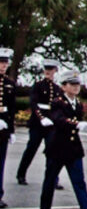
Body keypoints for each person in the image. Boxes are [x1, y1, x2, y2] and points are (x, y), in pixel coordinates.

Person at [40, 70, 87, 209]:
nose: (76, 88)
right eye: (72, 84)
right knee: (49, 181)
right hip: (57, 148)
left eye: (77, 85)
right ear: (64, 86)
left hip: (73, 149)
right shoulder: (57, 102)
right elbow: (59, 119)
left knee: (79, 182)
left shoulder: (78, 103)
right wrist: (75, 124)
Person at [17, 58, 63, 188]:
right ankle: (21, 174)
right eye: (46, 70)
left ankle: (53, 179)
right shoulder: (37, 86)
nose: (48, 72)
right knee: (31, 148)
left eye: (51, 70)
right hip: (37, 123)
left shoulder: (57, 88)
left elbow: (58, 107)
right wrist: (41, 118)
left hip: (51, 124)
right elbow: (34, 103)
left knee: (52, 151)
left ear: (55, 71)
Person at [0, 48, 16, 209]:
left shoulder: (10, 84)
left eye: (5, 63)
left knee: (1, 162)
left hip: (3, 127)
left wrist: (11, 130)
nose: (3, 66)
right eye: (1, 62)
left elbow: (11, 109)